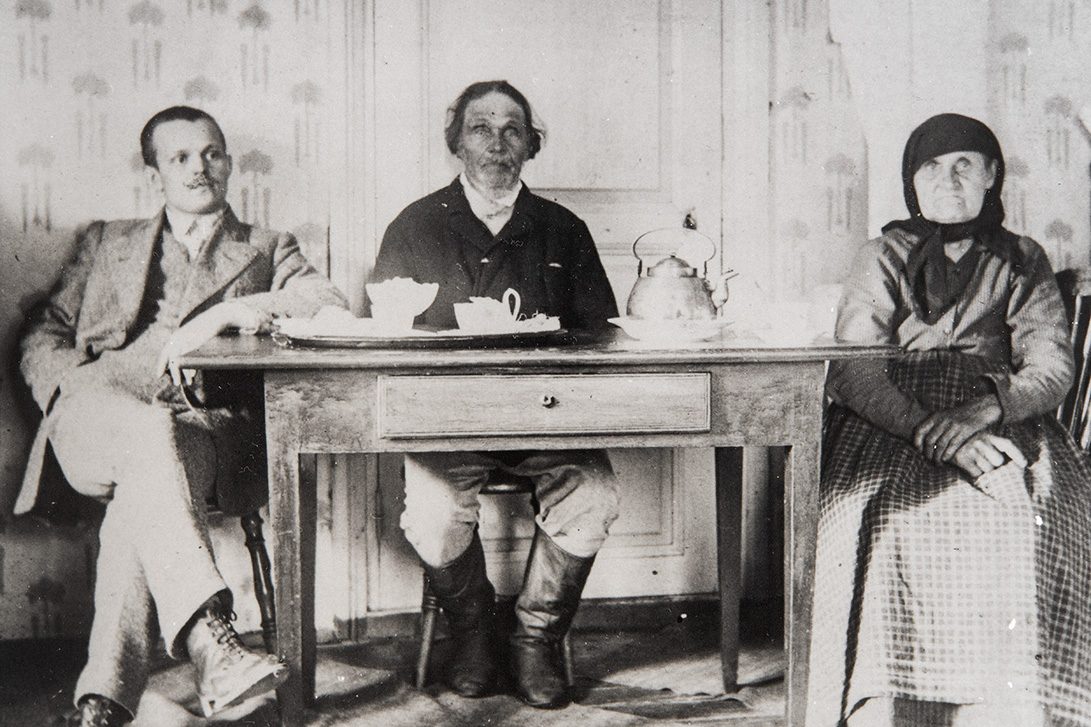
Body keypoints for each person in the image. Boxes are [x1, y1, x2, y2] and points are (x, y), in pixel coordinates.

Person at [17, 105, 347, 726]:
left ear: (229, 162)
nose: (201, 168)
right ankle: (212, 642)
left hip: (198, 426)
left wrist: (224, 314)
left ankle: (102, 705)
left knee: (138, 503)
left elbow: (326, 302)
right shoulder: (106, 241)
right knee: (143, 437)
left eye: (213, 153)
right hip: (94, 419)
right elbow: (44, 330)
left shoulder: (267, 246)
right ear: (154, 175)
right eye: (181, 157)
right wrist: (68, 389)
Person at [808, 113, 1091, 726]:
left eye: (965, 163)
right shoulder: (882, 255)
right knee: (887, 518)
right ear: (911, 180)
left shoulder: (1021, 257)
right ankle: (893, 709)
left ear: (992, 174)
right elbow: (854, 372)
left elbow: (1050, 366)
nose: (949, 178)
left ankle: (1014, 709)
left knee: (1027, 514)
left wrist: (985, 409)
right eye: (931, 166)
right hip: (894, 417)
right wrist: (936, 437)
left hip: (999, 412)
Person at [370, 80, 620, 709]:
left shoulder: (564, 230)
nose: (498, 143)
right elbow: (385, 336)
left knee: (595, 495)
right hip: (446, 422)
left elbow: (601, 335)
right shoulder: (416, 225)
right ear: (456, 140)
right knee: (431, 512)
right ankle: (475, 634)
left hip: (550, 421)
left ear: (531, 145)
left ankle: (534, 638)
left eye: (513, 130)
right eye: (482, 128)